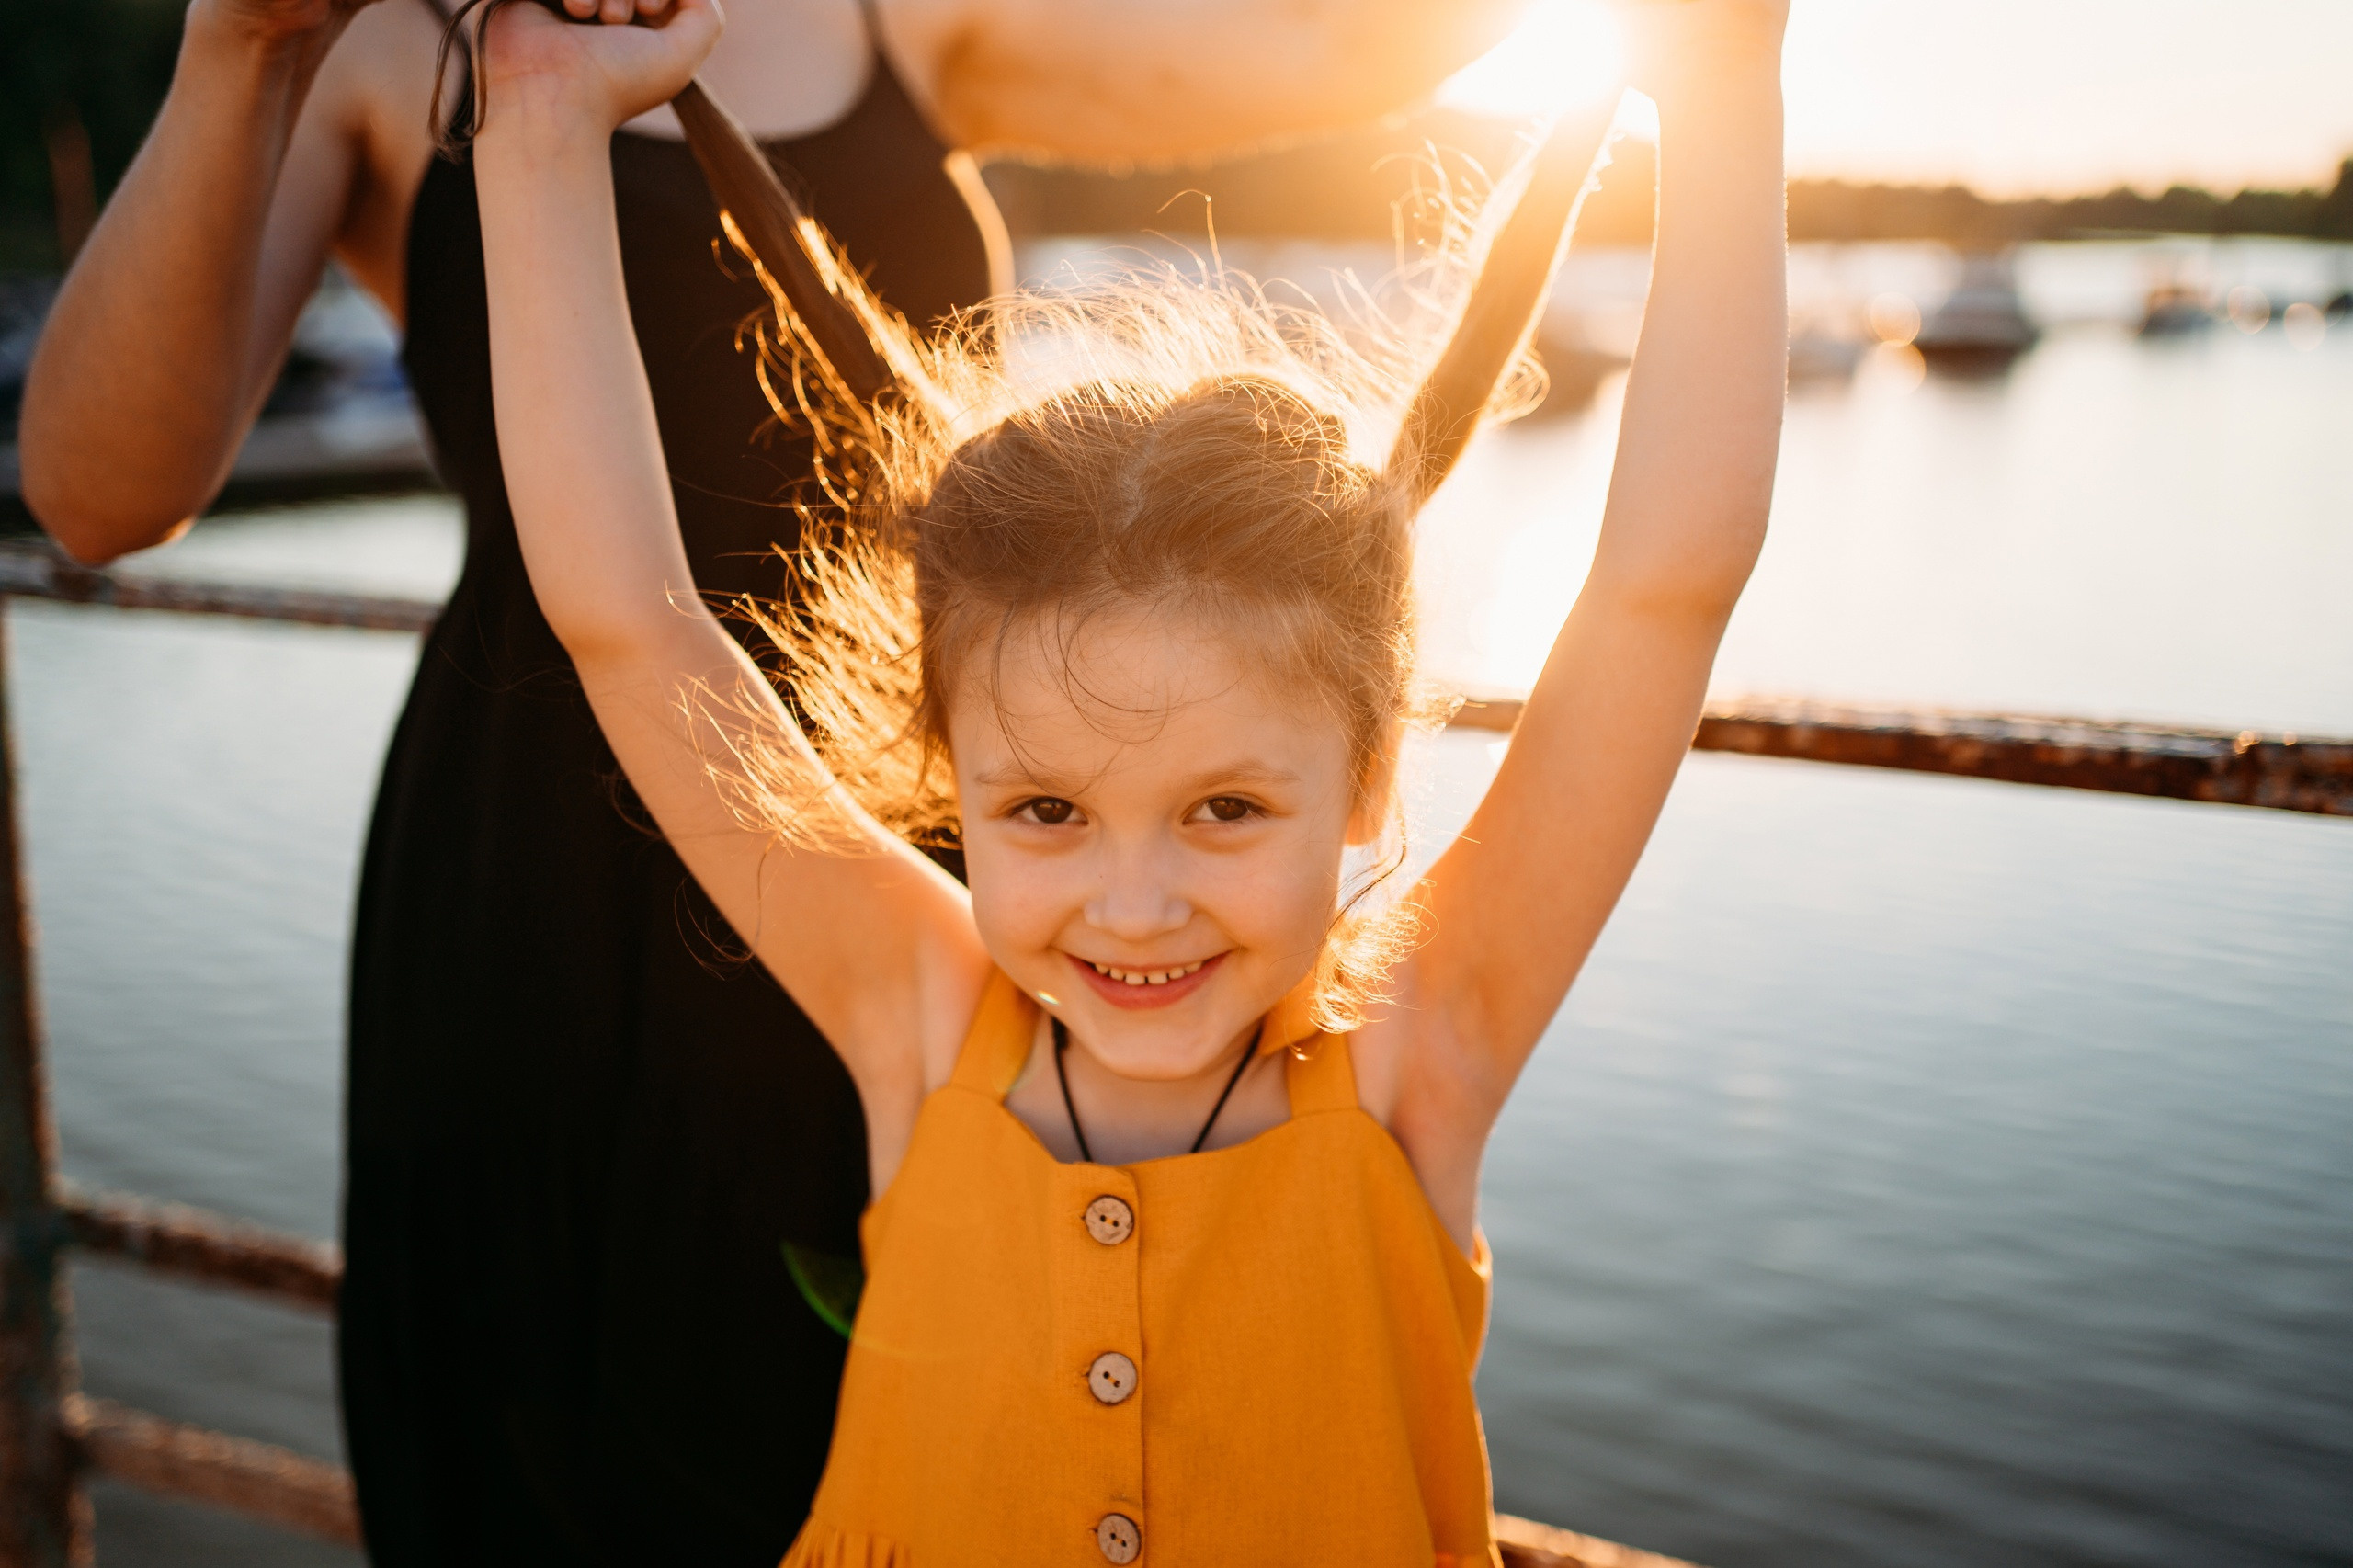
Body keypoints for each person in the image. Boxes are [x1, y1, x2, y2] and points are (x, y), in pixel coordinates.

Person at [17, 0, 1529, 1561]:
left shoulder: (907, 17)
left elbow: (1353, 47)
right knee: (514, 1461)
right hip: (535, 885)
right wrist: (247, 47)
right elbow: (92, 493)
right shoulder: (375, 40)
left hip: (923, 871)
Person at [471, 0, 1788, 1558]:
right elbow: (631, 625)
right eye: (1047, 811)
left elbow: (1661, 591)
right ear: (951, 777)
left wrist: (1723, 78)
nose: (1138, 903)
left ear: (1369, 779)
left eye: (1227, 809)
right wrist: (539, 122)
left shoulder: (1416, 1050)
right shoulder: (920, 1018)